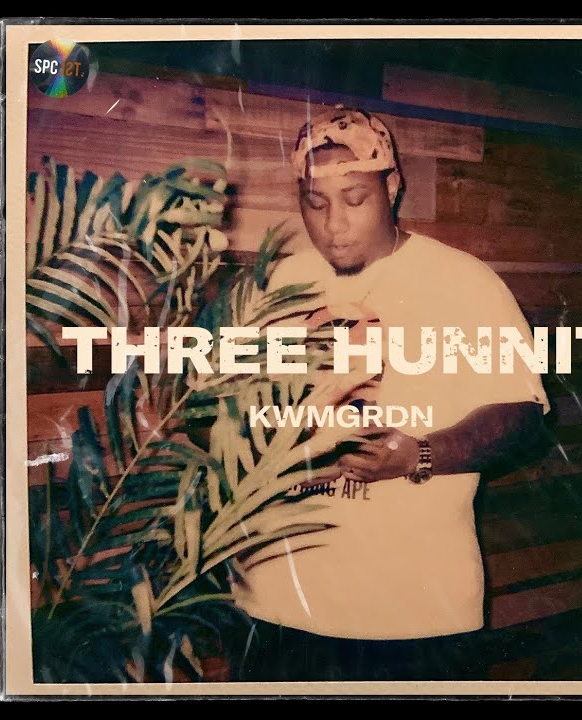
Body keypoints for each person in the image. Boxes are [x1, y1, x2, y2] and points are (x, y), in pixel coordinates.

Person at [229, 106, 552, 682]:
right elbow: (228, 414)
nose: (334, 224)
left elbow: (524, 420)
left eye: (355, 200)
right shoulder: (275, 287)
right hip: (275, 608)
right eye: (315, 203)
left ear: (393, 186)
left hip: (413, 615)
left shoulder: (465, 284)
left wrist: (418, 454)